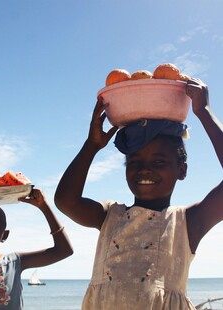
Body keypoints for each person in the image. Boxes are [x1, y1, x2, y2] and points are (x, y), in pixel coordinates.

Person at [55, 77, 223, 309]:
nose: (145, 168)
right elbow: (65, 201)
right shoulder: (109, 216)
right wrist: (91, 145)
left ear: (181, 170)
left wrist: (204, 112)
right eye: (135, 161)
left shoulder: (187, 222)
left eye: (159, 161)